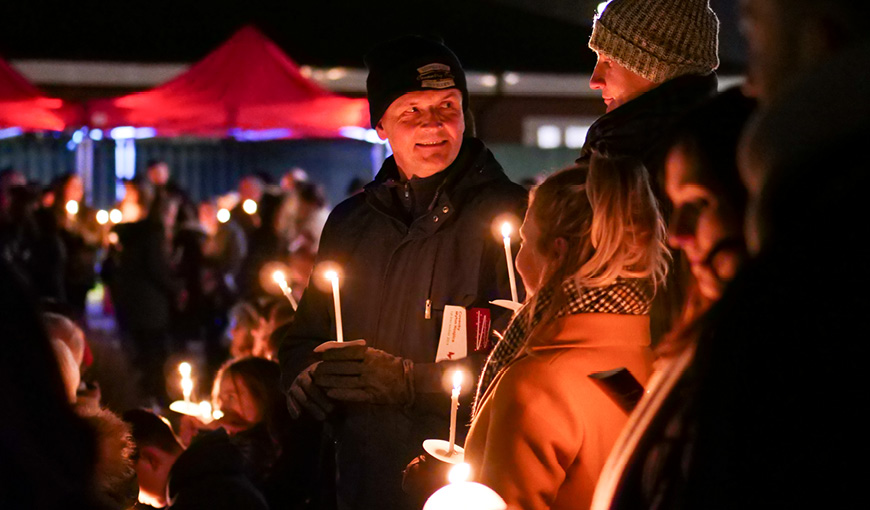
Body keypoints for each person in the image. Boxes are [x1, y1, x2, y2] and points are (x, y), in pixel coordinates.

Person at [279, 35, 527, 510]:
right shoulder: (351, 222)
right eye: (411, 109)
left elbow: (522, 367)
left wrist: (410, 380)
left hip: (458, 484)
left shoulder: (514, 218)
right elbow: (302, 336)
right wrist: (305, 376)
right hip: (357, 478)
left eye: (446, 105)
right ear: (381, 127)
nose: (433, 123)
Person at [464, 155, 668, 510]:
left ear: (557, 254)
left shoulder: (538, 384)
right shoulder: (651, 362)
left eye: (526, 241)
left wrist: (454, 496)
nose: (517, 259)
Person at [589, 89, 756, 509]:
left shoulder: (765, 354)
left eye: (699, 203)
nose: (678, 234)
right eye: (675, 205)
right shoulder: (704, 333)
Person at [581, 0, 721, 342]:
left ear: (653, 67)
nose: (594, 80)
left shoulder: (651, 161)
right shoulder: (627, 146)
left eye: (609, 61)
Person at [212, 357, 321, 509]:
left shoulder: (298, 446)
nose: (222, 410)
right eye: (220, 400)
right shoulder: (226, 449)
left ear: (264, 395)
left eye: (231, 397)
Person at [123, 408, 269, 510]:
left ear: (150, 459)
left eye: (129, 477)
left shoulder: (194, 501)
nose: (135, 497)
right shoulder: (221, 469)